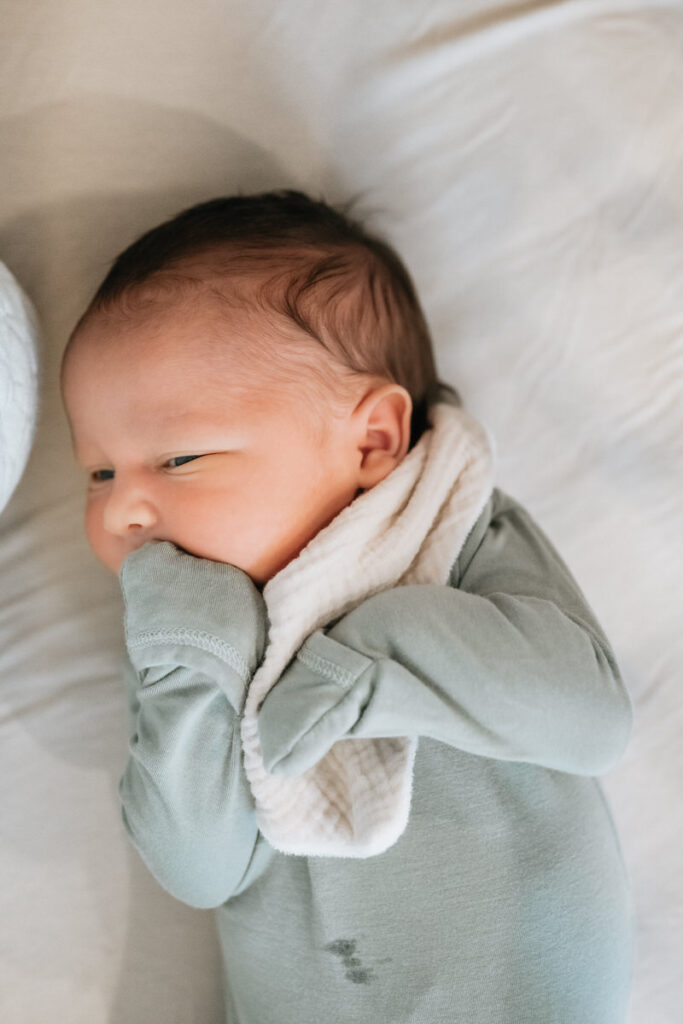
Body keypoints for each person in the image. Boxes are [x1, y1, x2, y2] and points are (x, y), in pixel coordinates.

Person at [59, 189, 634, 1023]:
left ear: (371, 442)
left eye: (177, 458)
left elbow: (589, 719)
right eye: (99, 472)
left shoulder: (454, 529)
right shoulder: (183, 641)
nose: (120, 511)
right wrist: (190, 663)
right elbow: (201, 867)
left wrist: (364, 660)